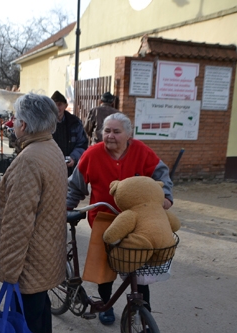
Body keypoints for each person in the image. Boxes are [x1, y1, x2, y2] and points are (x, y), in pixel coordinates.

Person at [66, 112, 173, 327]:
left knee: (138, 267)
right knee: (104, 269)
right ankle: (106, 304)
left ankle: (143, 308)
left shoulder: (141, 151)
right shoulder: (92, 154)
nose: (110, 136)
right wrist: (66, 208)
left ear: (128, 135)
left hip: (138, 220)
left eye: (116, 131)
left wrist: (166, 196)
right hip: (104, 219)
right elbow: (75, 185)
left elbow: (161, 174)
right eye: (106, 131)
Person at [0, 93, 68, 333]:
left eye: (15, 119)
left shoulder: (29, 159)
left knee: (27, 320)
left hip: (29, 262)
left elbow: (18, 225)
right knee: (39, 315)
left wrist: (8, 271)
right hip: (46, 256)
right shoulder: (51, 147)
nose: (13, 123)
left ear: (23, 125)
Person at [50, 90, 88, 176]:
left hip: (69, 169)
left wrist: (73, 158)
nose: (56, 108)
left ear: (65, 106)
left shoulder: (75, 122)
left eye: (59, 104)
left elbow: (82, 144)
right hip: (49, 166)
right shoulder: (45, 123)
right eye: (53, 105)